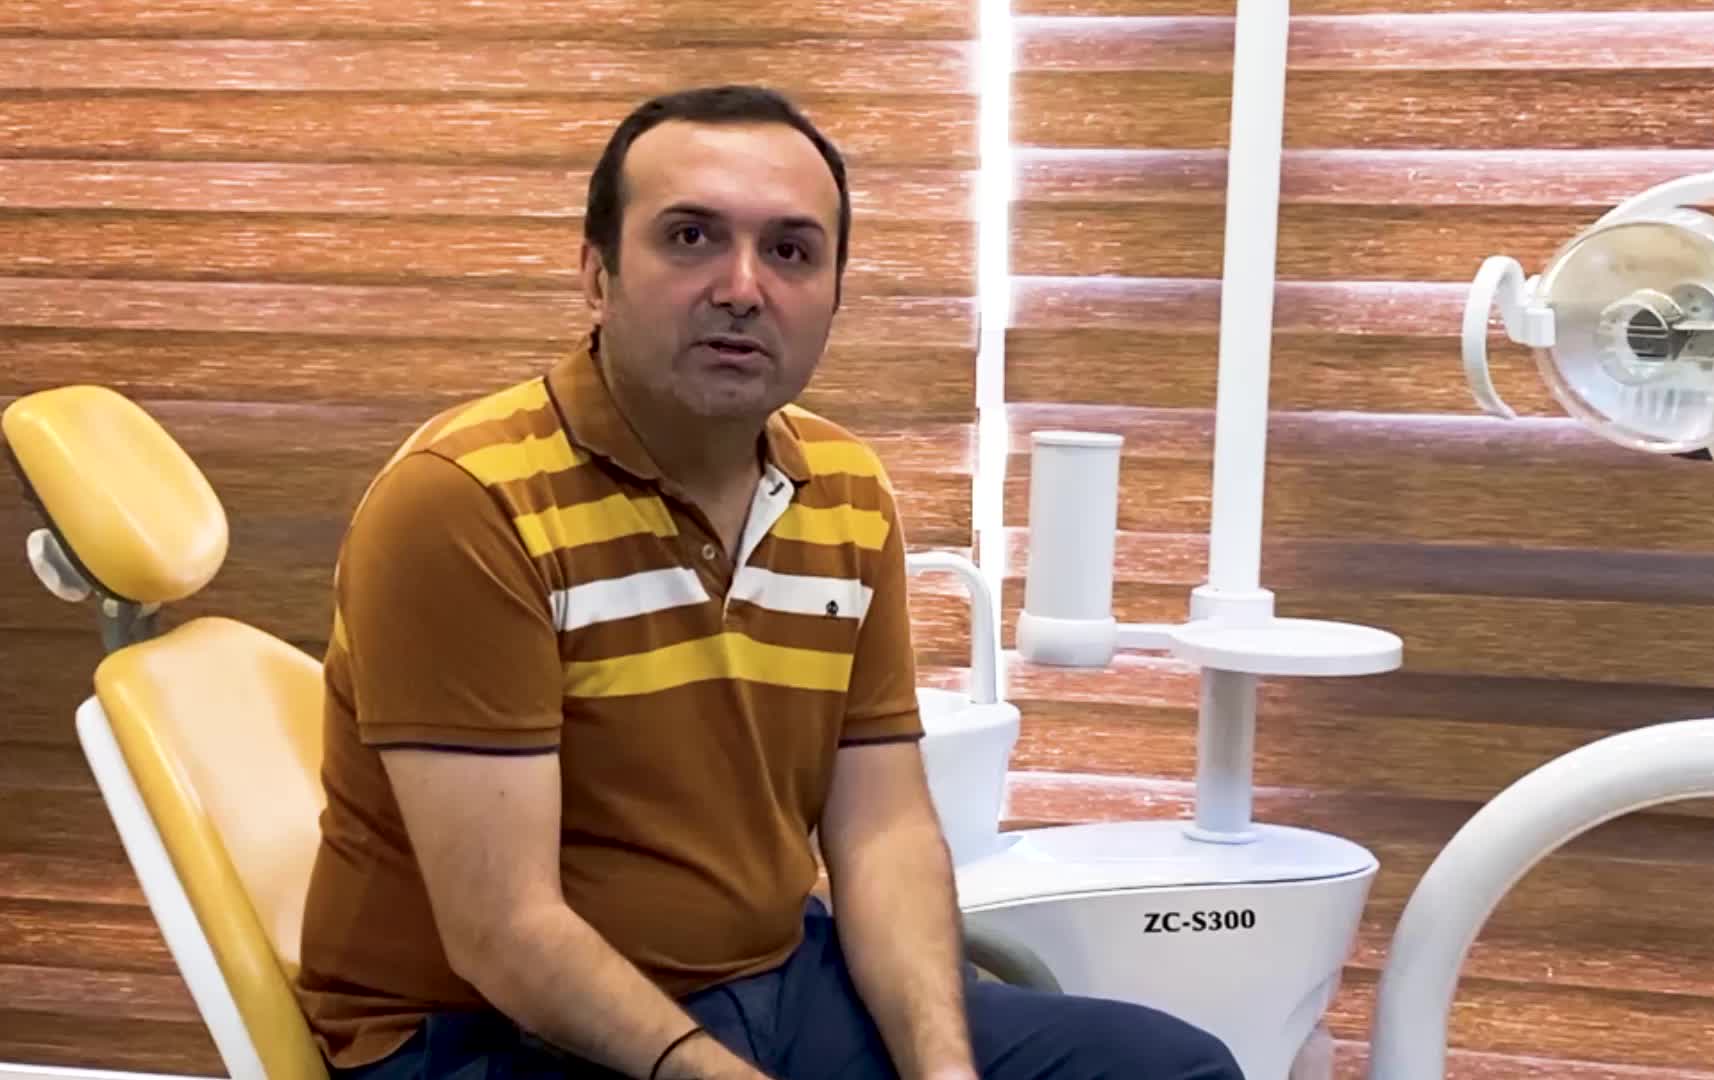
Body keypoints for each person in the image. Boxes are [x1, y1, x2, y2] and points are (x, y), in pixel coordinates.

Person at [293, 84, 1245, 1080]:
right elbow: (505, 931)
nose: (743, 287)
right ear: (596, 275)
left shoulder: (845, 491)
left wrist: (944, 1070)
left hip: (771, 982)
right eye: (691, 238)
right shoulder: (465, 502)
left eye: (790, 251)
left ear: (833, 295)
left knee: (1172, 1069)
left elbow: (881, 830)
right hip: (486, 1032)